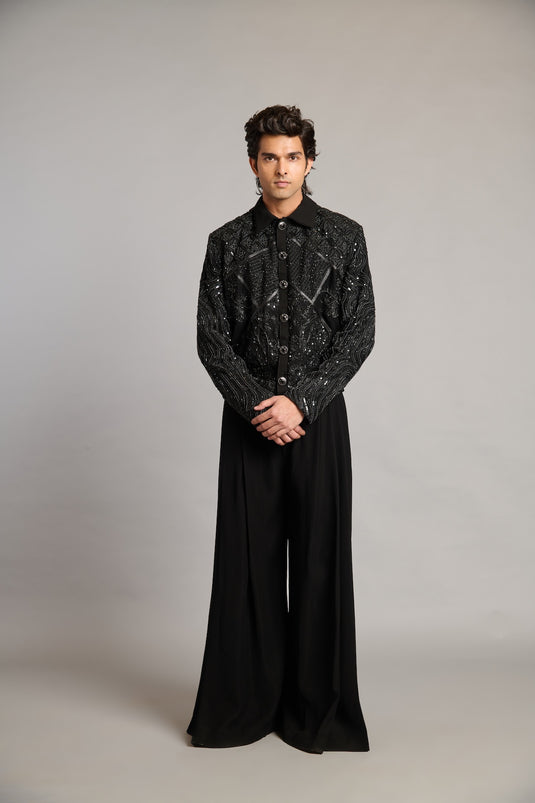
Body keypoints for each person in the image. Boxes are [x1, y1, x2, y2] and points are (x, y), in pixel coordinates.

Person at [186, 105, 375, 754]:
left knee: (320, 563)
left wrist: (301, 402)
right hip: (249, 425)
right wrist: (256, 404)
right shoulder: (225, 243)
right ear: (253, 164)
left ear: (309, 161)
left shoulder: (345, 237)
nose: (281, 169)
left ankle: (315, 711)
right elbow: (211, 338)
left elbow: (359, 331)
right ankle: (245, 706)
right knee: (248, 566)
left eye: (292, 156)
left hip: (317, 422)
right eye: (269, 157)